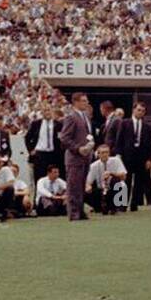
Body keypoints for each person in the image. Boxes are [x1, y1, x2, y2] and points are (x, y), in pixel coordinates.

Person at [59, 91, 95, 221]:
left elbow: (86, 134)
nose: (86, 103)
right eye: (83, 101)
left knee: (81, 185)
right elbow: (64, 137)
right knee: (73, 186)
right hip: (75, 157)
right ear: (76, 102)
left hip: (85, 156)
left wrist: (90, 144)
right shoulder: (71, 117)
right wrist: (78, 148)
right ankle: (73, 213)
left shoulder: (85, 116)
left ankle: (80, 211)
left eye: (86, 100)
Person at [118, 101, 151, 210]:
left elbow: (149, 144)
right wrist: (118, 155)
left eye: (143, 111)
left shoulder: (147, 127)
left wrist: (149, 159)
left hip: (141, 157)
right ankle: (122, 205)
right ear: (133, 110)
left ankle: (134, 204)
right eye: (138, 110)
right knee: (125, 181)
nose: (140, 112)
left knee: (139, 181)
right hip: (127, 157)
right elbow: (119, 140)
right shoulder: (125, 123)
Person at [85, 144, 128, 214]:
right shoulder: (93, 166)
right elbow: (88, 182)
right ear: (98, 154)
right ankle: (99, 207)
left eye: (106, 152)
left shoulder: (116, 161)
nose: (105, 155)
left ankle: (117, 206)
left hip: (113, 189)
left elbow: (124, 177)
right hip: (102, 191)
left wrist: (111, 174)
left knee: (118, 183)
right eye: (102, 153)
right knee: (85, 192)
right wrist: (88, 187)